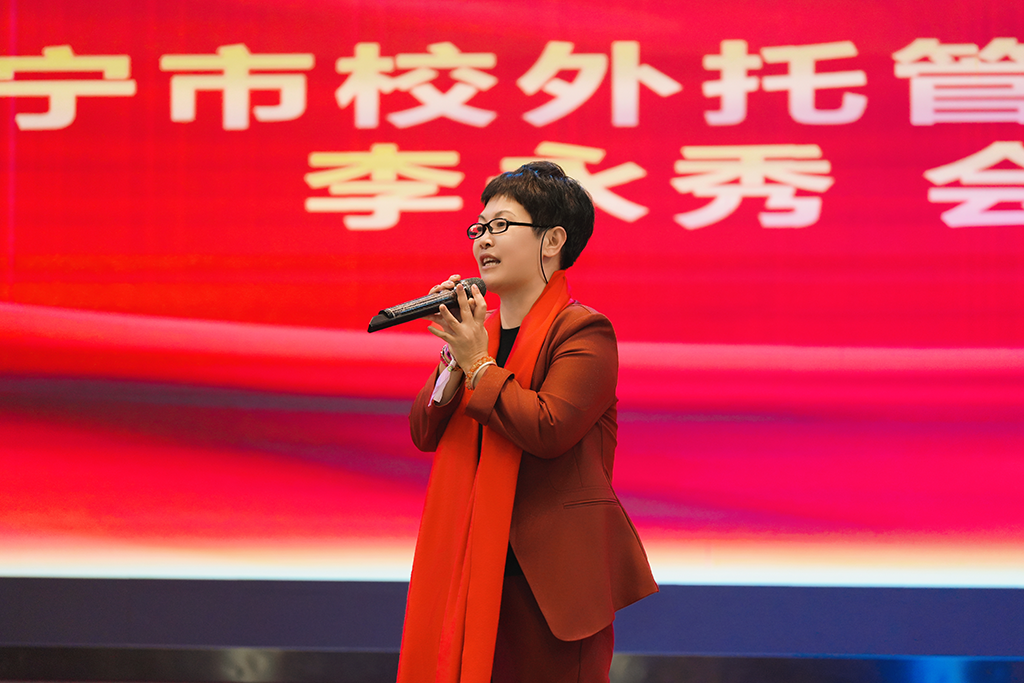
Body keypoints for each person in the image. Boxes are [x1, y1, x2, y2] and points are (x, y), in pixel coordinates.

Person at [397, 161, 657, 683]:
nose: (483, 240)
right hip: (470, 567)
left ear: (552, 240)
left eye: (501, 225)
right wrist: (456, 357)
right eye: (479, 227)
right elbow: (425, 433)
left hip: (545, 583)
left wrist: (477, 363)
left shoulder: (584, 331)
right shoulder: (480, 336)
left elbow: (548, 429)